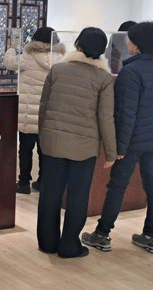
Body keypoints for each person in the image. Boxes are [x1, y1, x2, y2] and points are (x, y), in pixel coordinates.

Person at [82, 22, 153, 254]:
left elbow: (126, 114)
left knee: (117, 186)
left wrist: (119, 148)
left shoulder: (130, 73)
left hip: (132, 141)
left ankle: (102, 234)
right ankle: (151, 236)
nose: (127, 42)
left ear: (137, 45)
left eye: (130, 39)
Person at [36, 27, 117, 258]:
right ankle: (69, 245)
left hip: (53, 143)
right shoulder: (104, 78)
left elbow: (43, 107)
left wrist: (44, 137)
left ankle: (47, 243)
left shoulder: (57, 69)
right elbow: (105, 118)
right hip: (84, 148)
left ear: (78, 45)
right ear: (102, 51)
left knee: (50, 194)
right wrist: (111, 152)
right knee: (78, 197)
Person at [4, 26, 65, 194]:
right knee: (45, 150)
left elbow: (9, 63)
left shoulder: (27, 57)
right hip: (49, 113)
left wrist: (10, 49)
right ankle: (42, 182)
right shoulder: (60, 59)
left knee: (25, 149)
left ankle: (24, 183)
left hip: (28, 113)